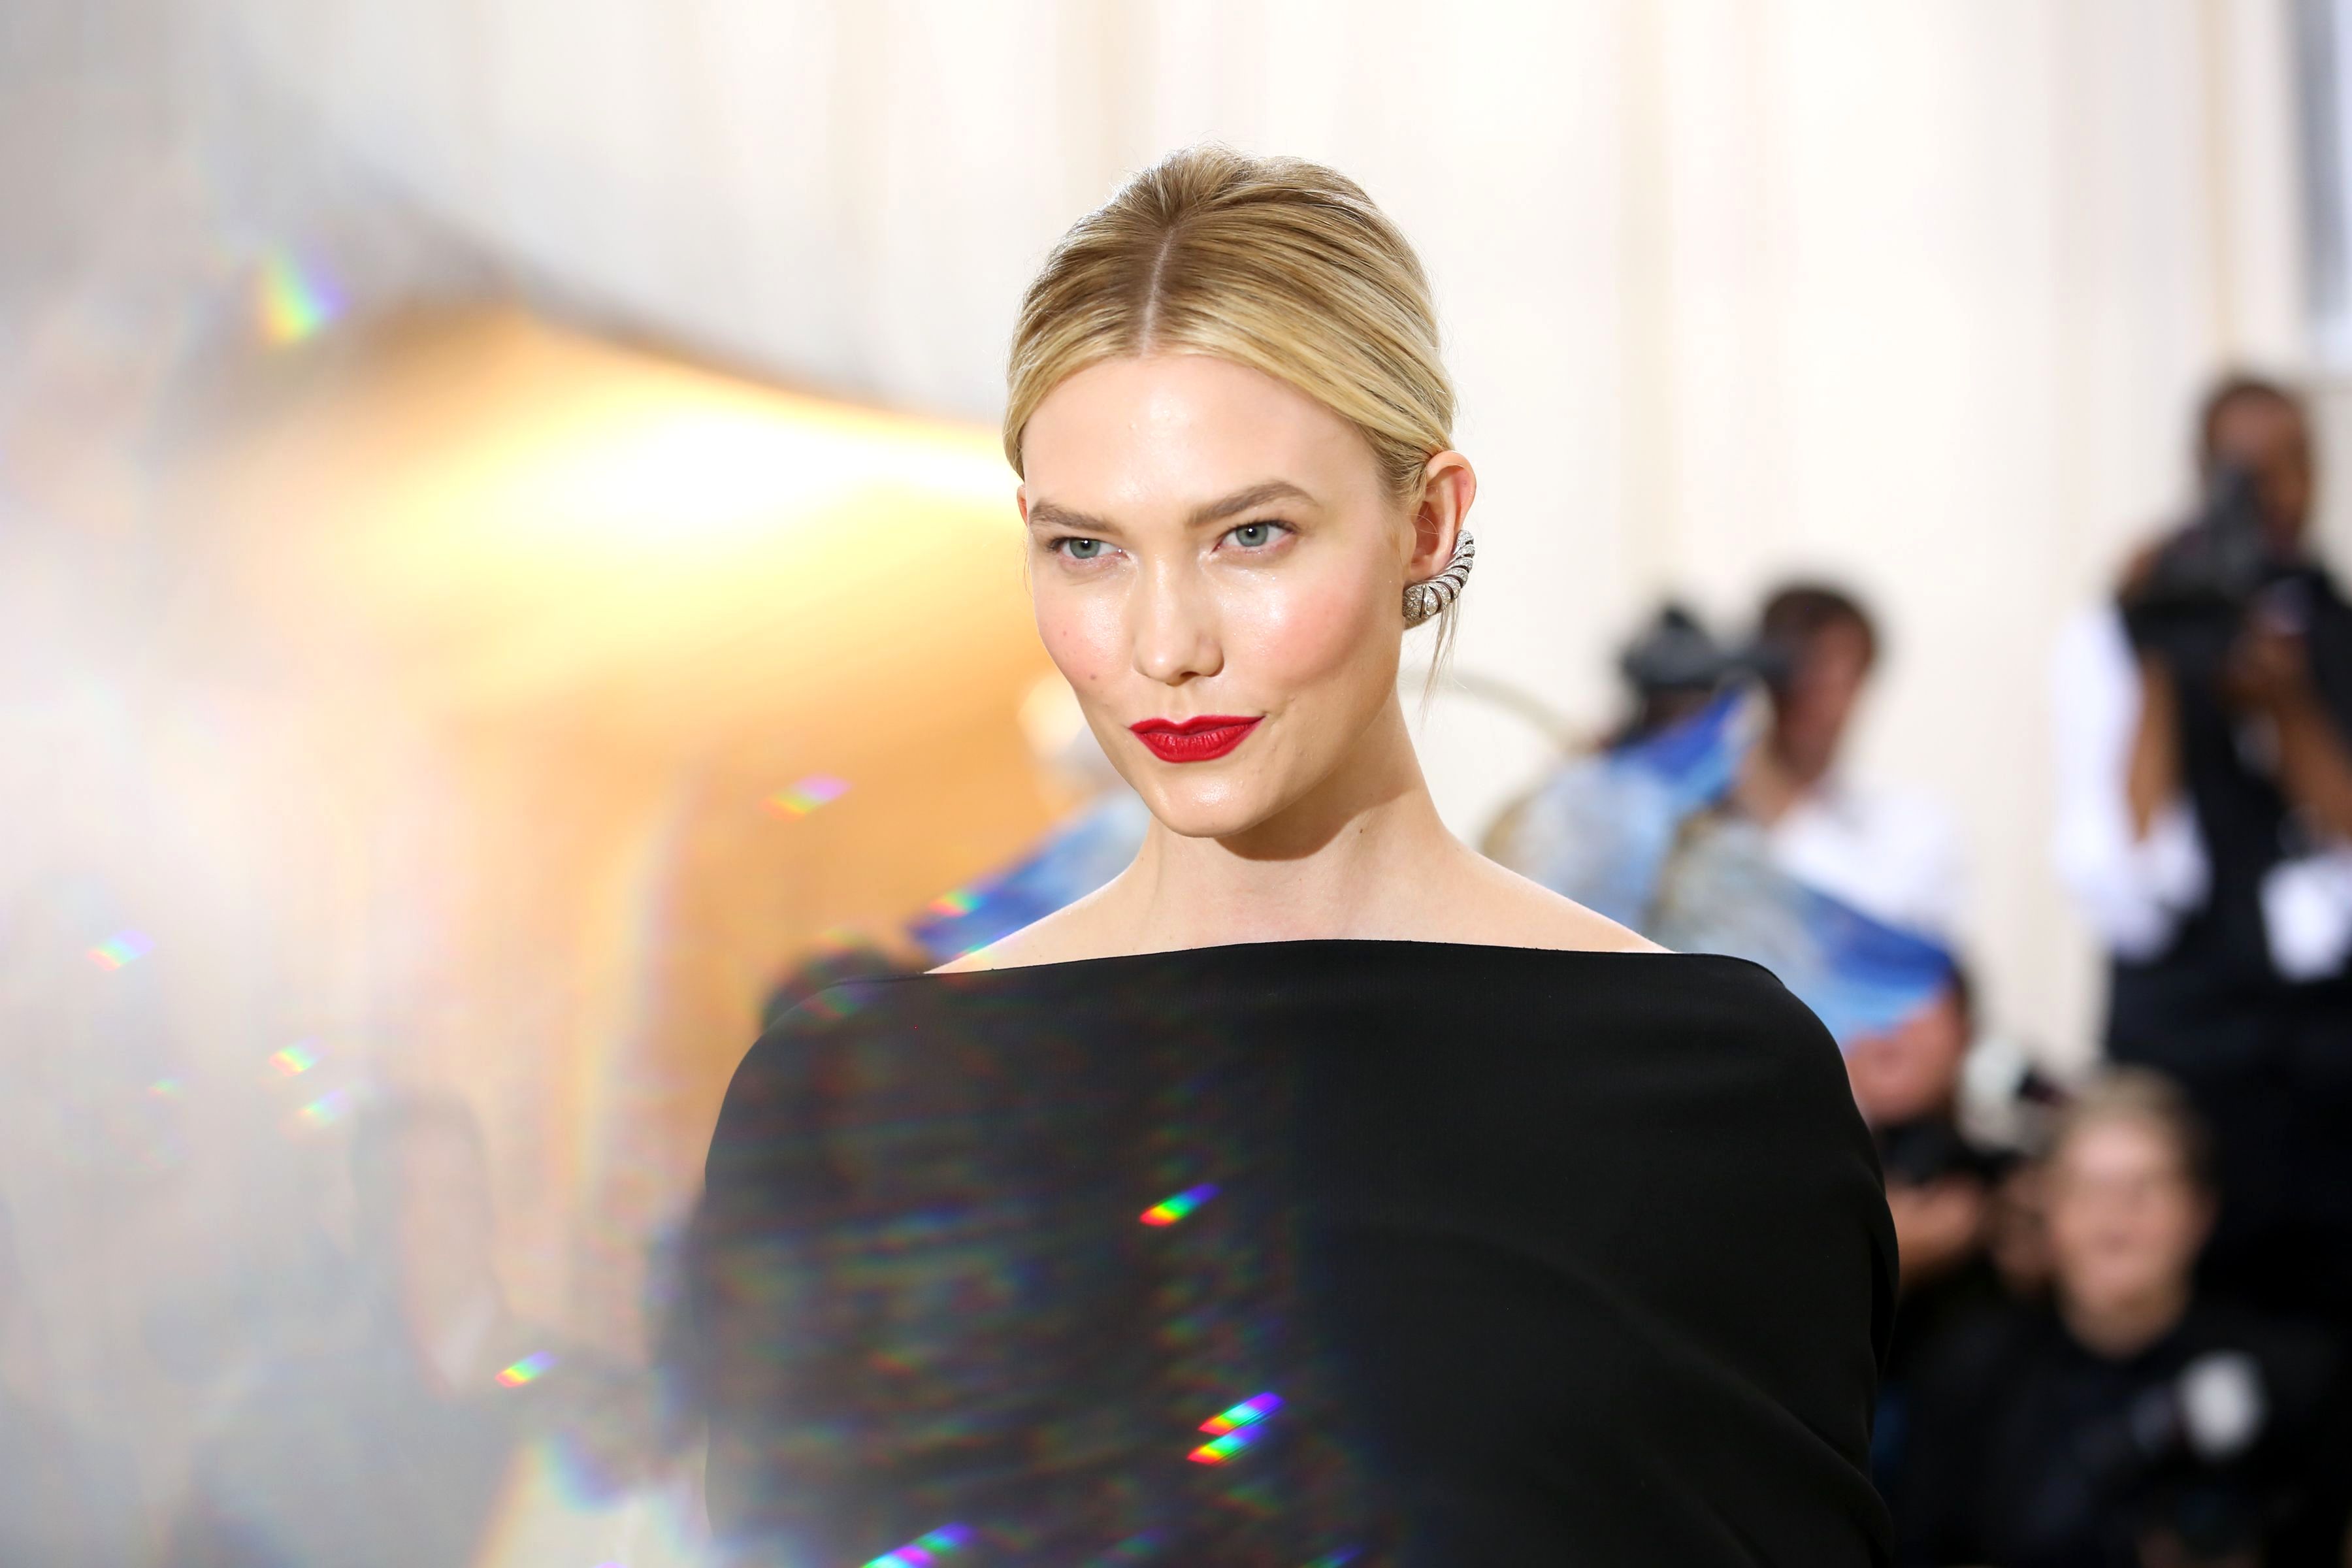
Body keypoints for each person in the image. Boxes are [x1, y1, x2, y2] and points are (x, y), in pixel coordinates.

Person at [688, 145, 1895, 1566]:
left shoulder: (1709, 1091)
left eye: (1250, 535)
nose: (1165, 644)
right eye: (1088, 550)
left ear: (1425, 524)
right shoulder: (847, 1114)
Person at [2051, 374, 2352, 1325]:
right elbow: (2128, 881)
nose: (2274, 493)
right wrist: (2159, 650)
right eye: (2245, 471)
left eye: (2292, 464)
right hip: (2185, 1046)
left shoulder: (2331, 624)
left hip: (2323, 1067)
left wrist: (2284, 704)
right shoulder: (2123, 632)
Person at [1893, 1070, 2349, 1567]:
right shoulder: (1972, 1373)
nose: (2115, 1221)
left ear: (2200, 1210)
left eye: (2143, 1189)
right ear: (2050, 1211)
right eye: (2089, 1189)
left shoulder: (2292, 1380)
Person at [1735, 583, 1968, 943]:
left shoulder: (1916, 825)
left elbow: (1884, 937)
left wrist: (1772, 799)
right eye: (1798, 670)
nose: (1813, 693)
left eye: (1832, 673)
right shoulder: (1702, 813)